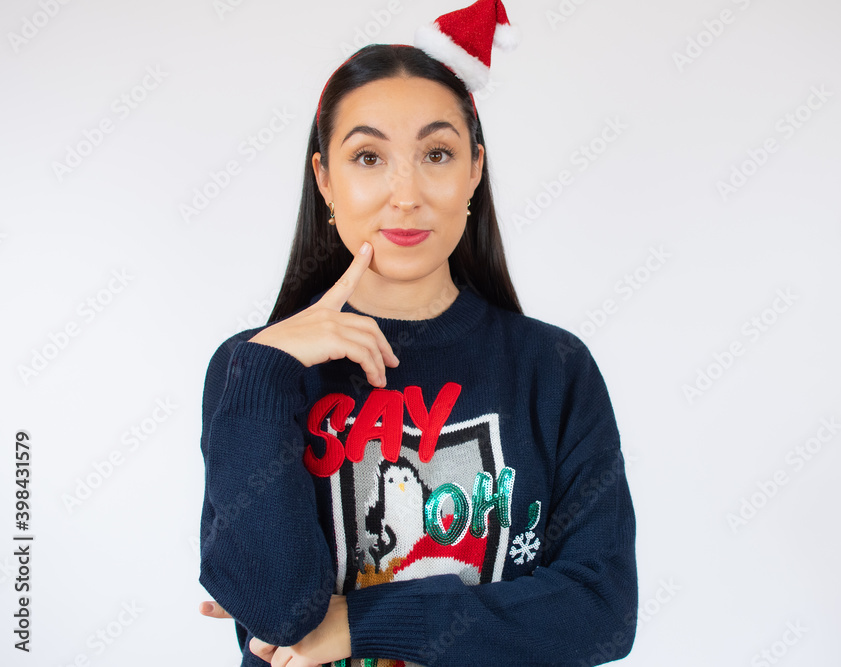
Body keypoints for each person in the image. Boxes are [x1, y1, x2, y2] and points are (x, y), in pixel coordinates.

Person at [196, 1, 638, 665]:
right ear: (325, 180)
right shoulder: (253, 369)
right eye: (368, 157)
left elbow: (600, 612)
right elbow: (280, 609)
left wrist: (356, 620)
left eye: (436, 153)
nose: (405, 193)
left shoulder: (553, 368)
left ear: (473, 170)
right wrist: (267, 370)